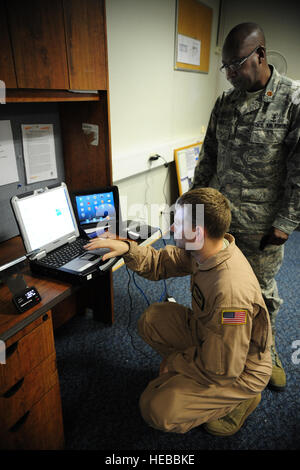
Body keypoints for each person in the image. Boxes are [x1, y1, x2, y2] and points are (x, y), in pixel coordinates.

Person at [85, 187, 272, 436]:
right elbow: (162, 262)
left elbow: (224, 369)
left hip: (238, 370)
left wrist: (175, 363)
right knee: (153, 319)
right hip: (213, 339)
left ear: (197, 232)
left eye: (178, 222)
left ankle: (239, 400)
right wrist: (128, 249)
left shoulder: (230, 294)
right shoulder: (208, 249)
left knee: (156, 409)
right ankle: (193, 383)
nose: (172, 229)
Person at [192, 22, 300, 391]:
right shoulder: (226, 103)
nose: (231, 74)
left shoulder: (292, 101)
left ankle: (264, 351)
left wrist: (286, 221)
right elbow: (208, 156)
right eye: (226, 68)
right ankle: (229, 345)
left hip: (262, 224)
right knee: (225, 288)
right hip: (222, 219)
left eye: (236, 65)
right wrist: (192, 206)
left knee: (260, 291)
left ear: (261, 55)